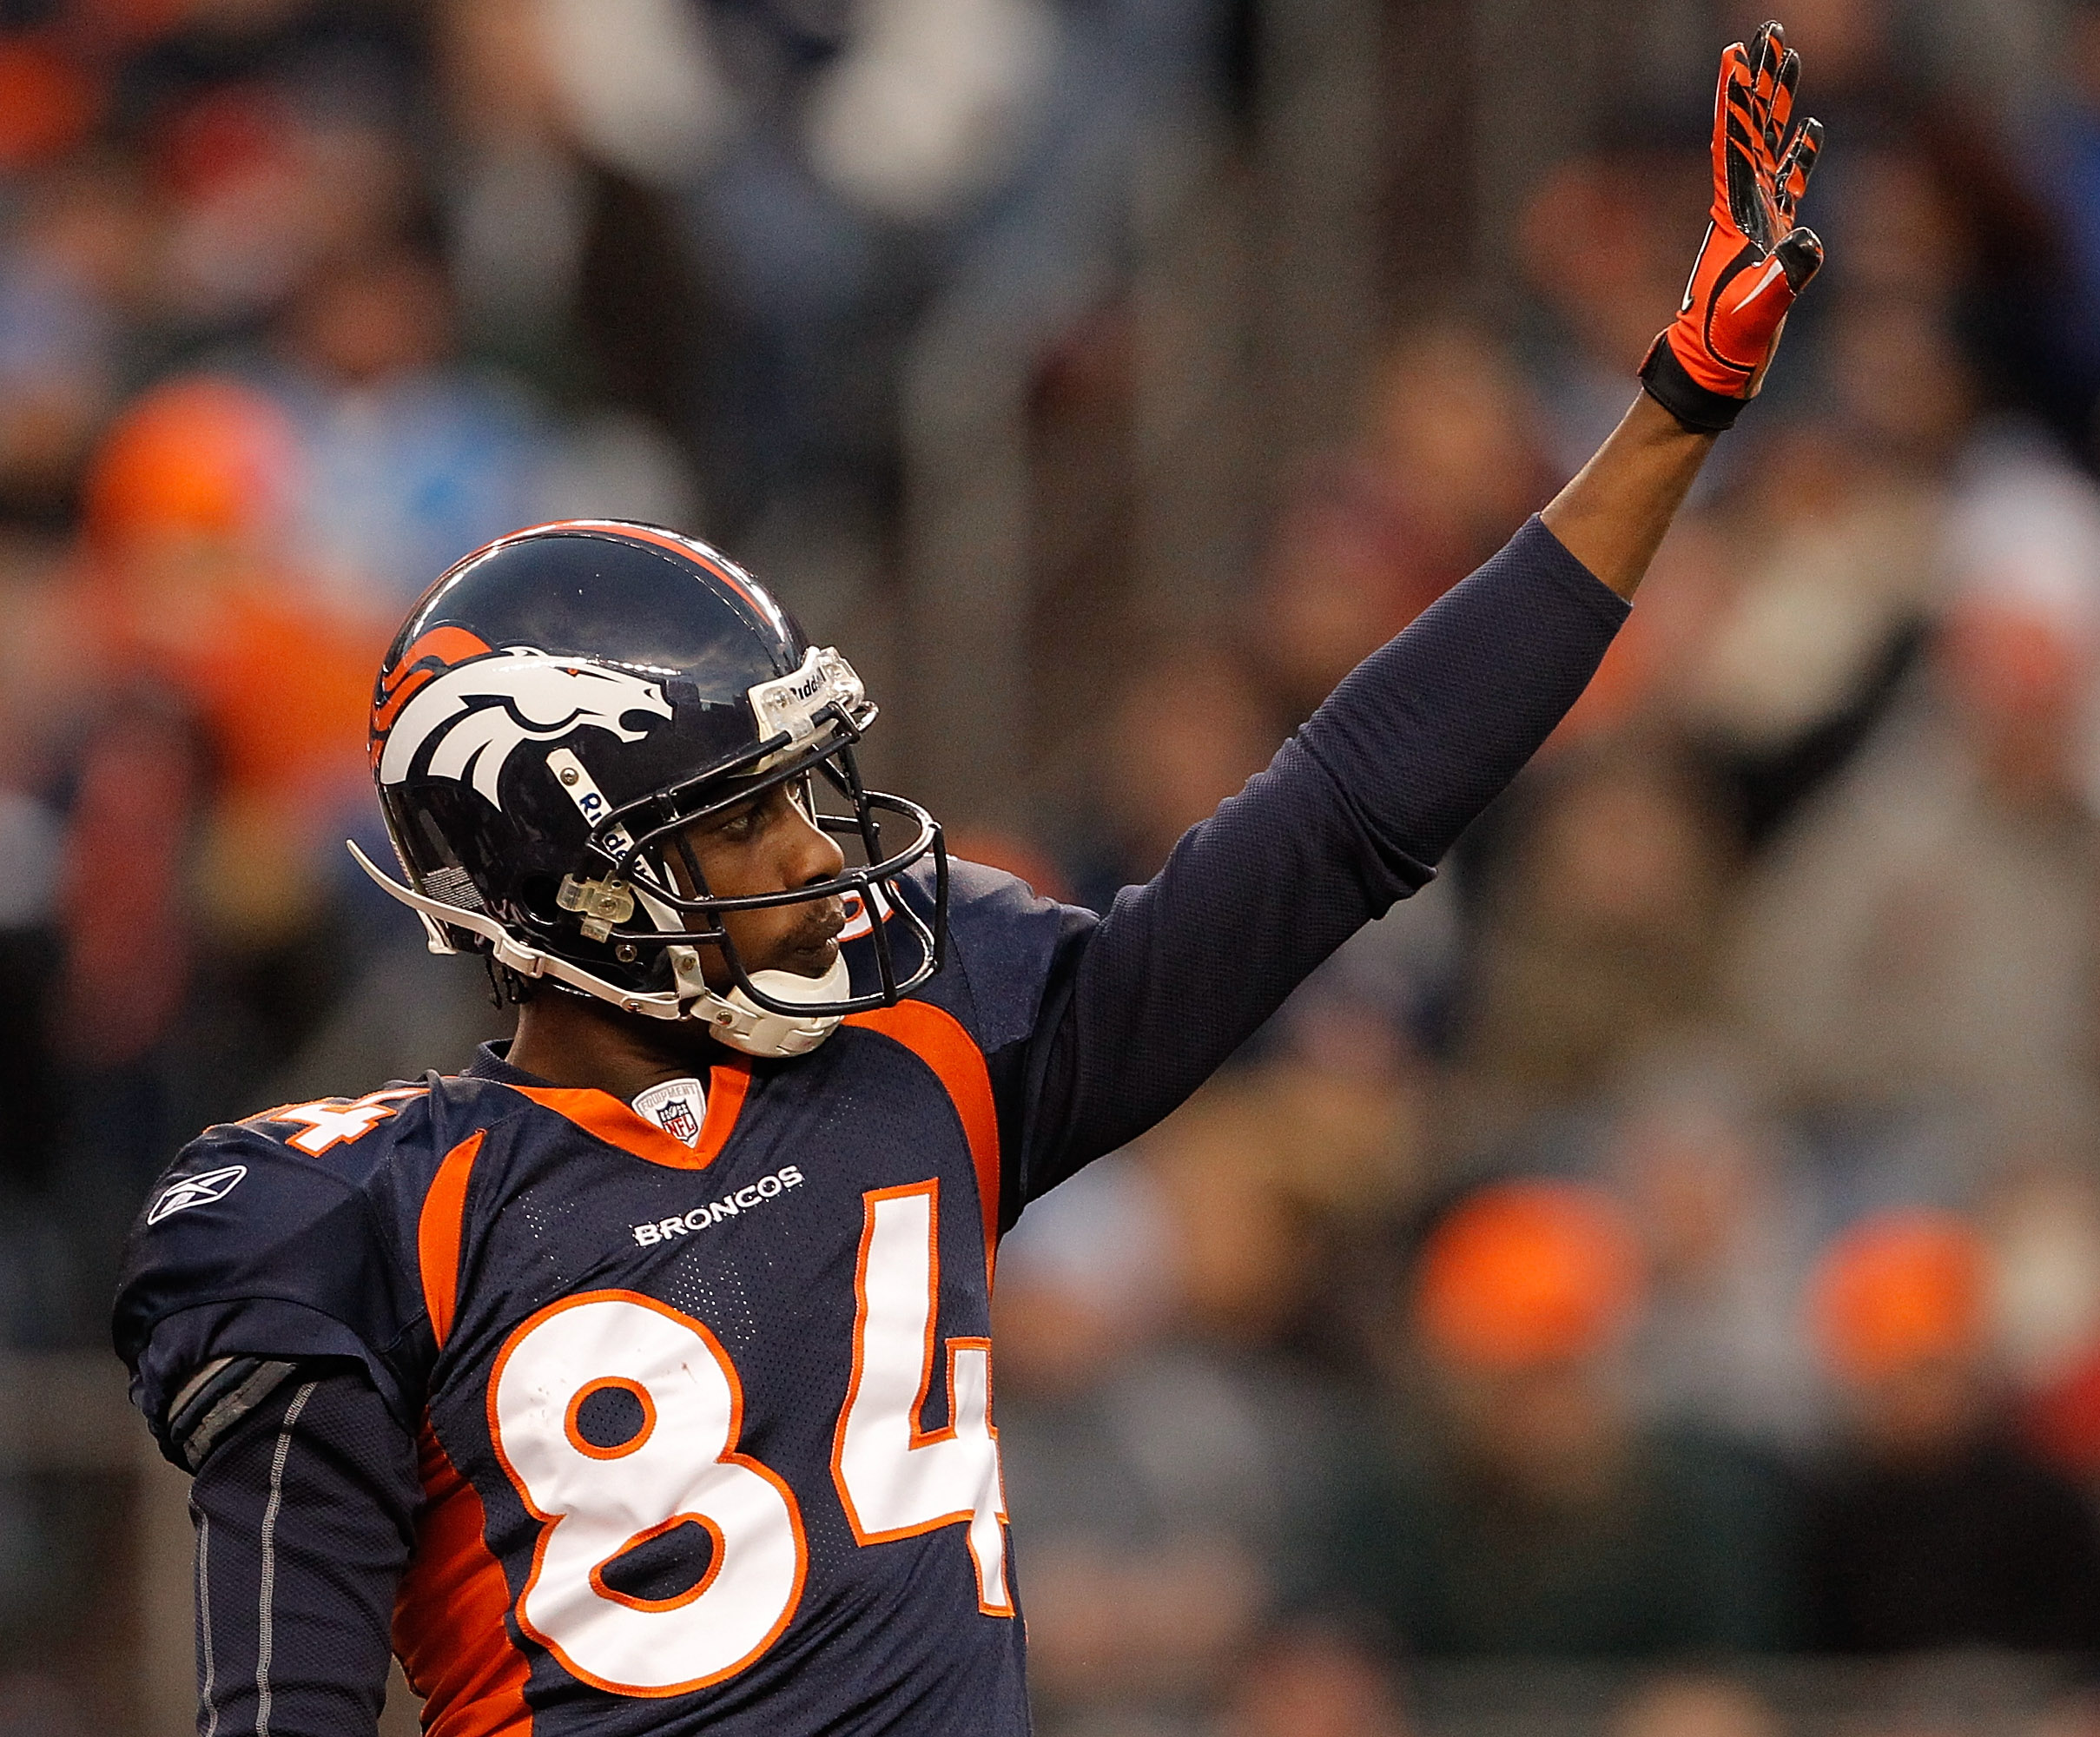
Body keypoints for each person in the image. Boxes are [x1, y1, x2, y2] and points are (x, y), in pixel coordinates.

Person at [106, 24, 1831, 1737]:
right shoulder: (359, 1222)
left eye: (798, 792)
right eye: (738, 820)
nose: (813, 857)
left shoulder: (923, 1031)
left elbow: (1342, 821)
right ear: (571, 883)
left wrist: (1674, 412)